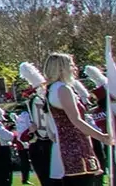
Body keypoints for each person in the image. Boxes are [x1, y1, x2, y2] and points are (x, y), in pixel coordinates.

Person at [40, 53, 110, 186]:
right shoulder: (63, 89)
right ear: (62, 68)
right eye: (71, 65)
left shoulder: (51, 89)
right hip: (74, 147)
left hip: (65, 145)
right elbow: (76, 120)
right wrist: (102, 137)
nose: (74, 68)